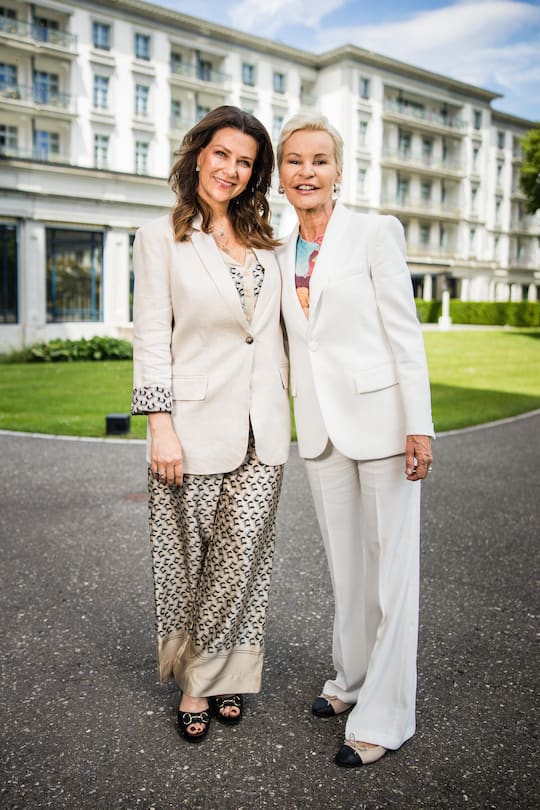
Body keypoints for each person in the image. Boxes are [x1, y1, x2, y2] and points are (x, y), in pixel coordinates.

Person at [276, 113, 434, 768]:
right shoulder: (279, 249)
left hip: (382, 421)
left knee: (392, 570)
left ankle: (388, 715)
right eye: (294, 161)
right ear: (279, 175)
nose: (307, 172)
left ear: (339, 171)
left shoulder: (375, 233)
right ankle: (352, 679)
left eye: (319, 160)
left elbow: (404, 332)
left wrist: (418, 422)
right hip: (319, 428)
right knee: (348, 567)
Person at [131, 106, 290, 743]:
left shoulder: (266, 241)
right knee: (191, 563)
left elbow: (277, 335)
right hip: (191, 425)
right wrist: (158, 425)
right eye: (221, 154)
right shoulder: (159, 236)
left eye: (245, 161)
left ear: (255, 174)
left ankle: (204, 682)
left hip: (266, 427)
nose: (230, 169)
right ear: (198, 154)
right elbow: (150, 338)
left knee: (241, 558)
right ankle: (224, 676)